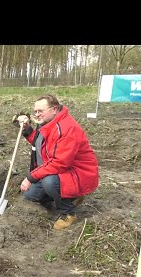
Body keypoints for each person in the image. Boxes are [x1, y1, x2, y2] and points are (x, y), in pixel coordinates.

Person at [16, 94, 99, 230]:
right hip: (60, 171)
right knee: (30, 195)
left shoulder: (67, 128)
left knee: (49, 182)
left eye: (40, 111)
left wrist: (30, 177)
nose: (37, 115)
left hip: (78, 173)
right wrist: (26, 130)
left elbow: (60, 163)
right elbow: (41, 144)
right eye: (35, 111)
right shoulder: (49, 124)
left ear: (54, 109)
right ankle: (67, 197)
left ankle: (68, 213)